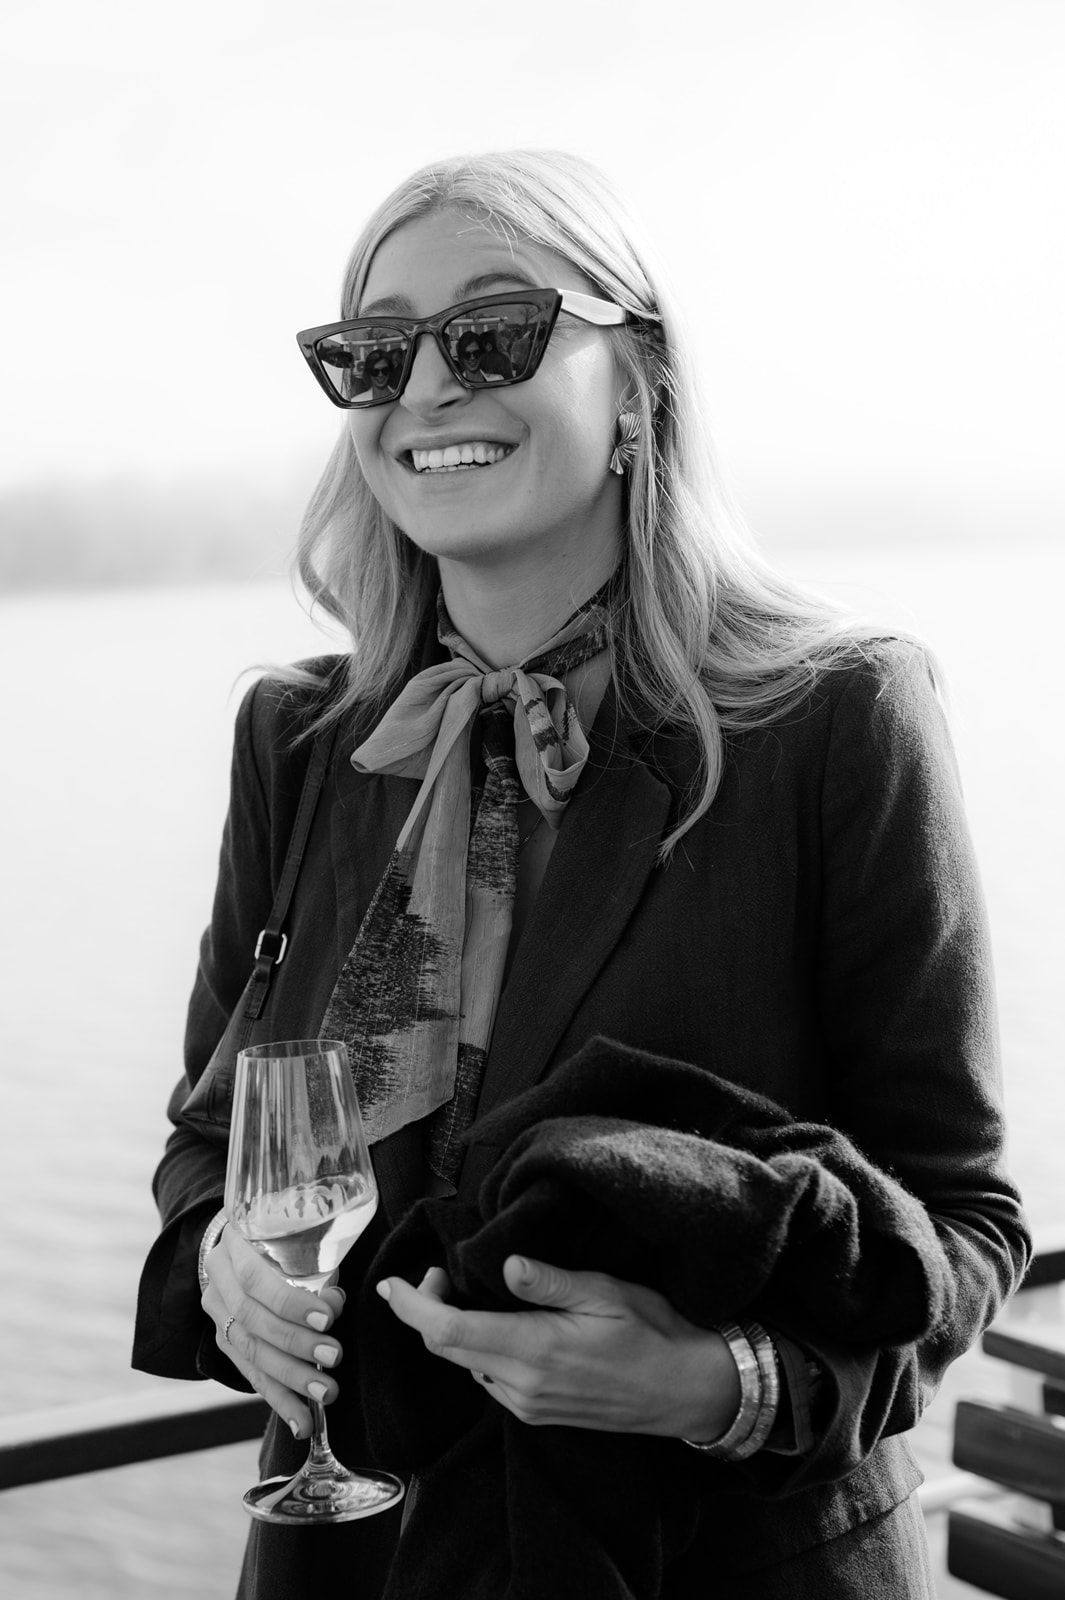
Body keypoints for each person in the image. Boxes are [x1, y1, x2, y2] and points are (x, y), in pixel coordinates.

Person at [133, 150, 1030, 1599]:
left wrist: (725, 1384)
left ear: (639, 385)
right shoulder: (298, 740)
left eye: (493, 332)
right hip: (356, 1561)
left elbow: (959, 1217)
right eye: (375, 352)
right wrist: (224, 1264)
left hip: (720, 1568)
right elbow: (213, 1138)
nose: (427, 389)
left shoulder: (836, 717)